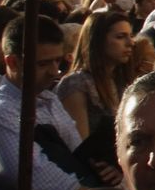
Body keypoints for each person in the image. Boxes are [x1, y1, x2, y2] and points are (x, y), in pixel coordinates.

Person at [0, 14, 109, 190]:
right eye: (43, 63)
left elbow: (77, 153)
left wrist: (103, 170)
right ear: (12, 62)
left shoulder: (47, 98)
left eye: (57, 61)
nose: (53, 71)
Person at [58, 10, 137, 168]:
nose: (130, 43)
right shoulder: (76, 84)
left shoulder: (121, 80)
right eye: (120, 37)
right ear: (97, 41)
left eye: (130, 35)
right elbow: (80, 146)